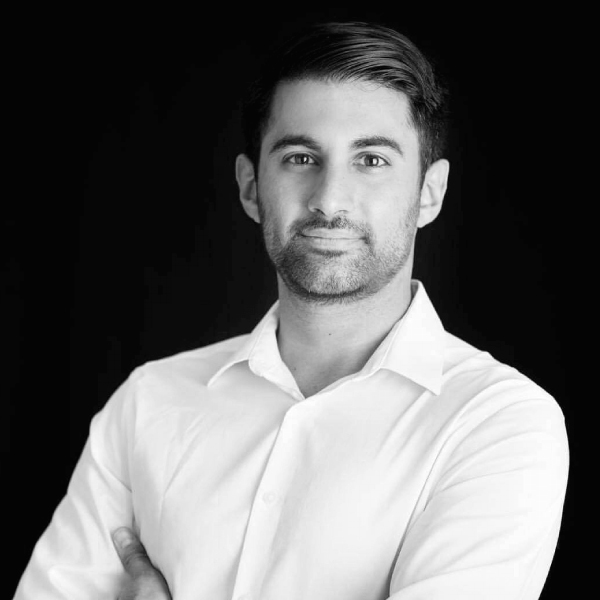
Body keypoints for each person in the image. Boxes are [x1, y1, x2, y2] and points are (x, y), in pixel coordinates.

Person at [13, 21, 569, 600]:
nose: (330, 200)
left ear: (429, 192)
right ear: (251, 186)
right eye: (301, 157)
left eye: (371, 160)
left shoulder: (496, 422)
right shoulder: (147, 403)